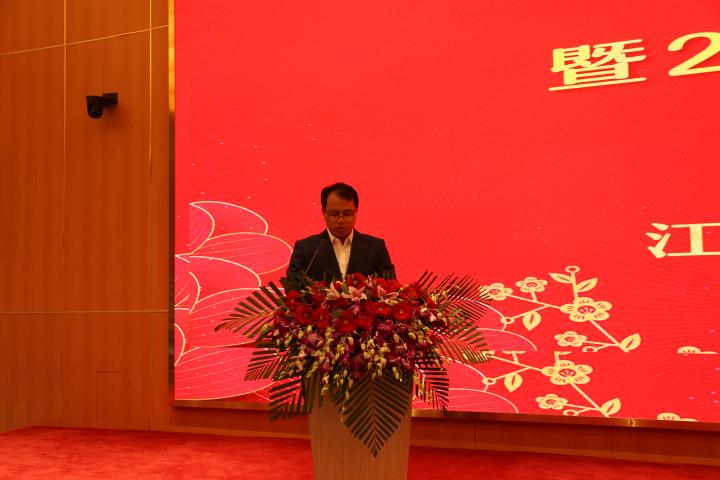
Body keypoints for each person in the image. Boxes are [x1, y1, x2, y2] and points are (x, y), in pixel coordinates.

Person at [285, 182, 395, 282]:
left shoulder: (375, 248)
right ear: (324, 212)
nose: (341, 220)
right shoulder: (306, 249)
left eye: (347, 214)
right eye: (334, 214)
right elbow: (293, 287)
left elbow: (391, 286)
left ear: (356, 212)